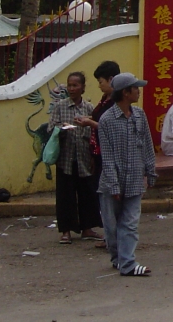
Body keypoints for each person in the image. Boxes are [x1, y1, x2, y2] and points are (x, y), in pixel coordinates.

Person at [97, 72, 156, 276]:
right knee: (112, 227)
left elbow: (147, 145)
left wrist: (150, 170)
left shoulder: (140, 115)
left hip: (134, 180)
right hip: (112, 181)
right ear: (125, 92)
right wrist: (113, 184)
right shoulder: (107, 120)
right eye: (135, 88)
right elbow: (108, 155)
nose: (138, 91)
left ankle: (128, 264)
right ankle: (118, 259)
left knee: (130, 223)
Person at [48, 72, 102, 245]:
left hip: (84, 157)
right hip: (66, 157)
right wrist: (61, 129)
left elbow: (94, 133)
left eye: (75, 85)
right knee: (66, 195)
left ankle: (87, 228)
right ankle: (66, 231)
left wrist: (94, 156)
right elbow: (51, 129)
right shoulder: (60, 107)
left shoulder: (89, 108)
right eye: (69, 85)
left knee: (87, 193)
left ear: (83, 88)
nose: (71, 89)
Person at [75, 60, 121, 251]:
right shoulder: (104, 100)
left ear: (111, 80)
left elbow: (112, 127)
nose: (100, 86)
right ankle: (110, 233)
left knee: (110, 196)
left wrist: (90, 123)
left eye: (101, 82)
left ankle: (115, 236)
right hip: (98, 152)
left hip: (111, 153)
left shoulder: (117, 102)